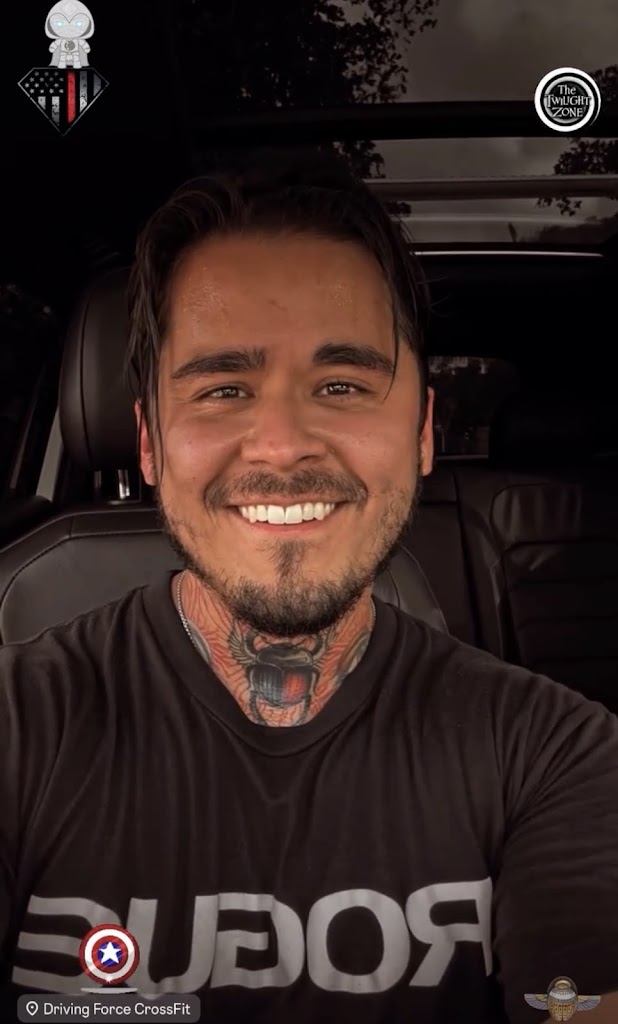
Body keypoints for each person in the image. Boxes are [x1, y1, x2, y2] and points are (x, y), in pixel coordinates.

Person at [1, 150, 617, 1024]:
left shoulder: (557, 754)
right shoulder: (17, 725)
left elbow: (581, 1001)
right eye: (223, 388)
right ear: (149, 443)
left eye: (341, 384)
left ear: (424, 433)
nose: (283, 444)